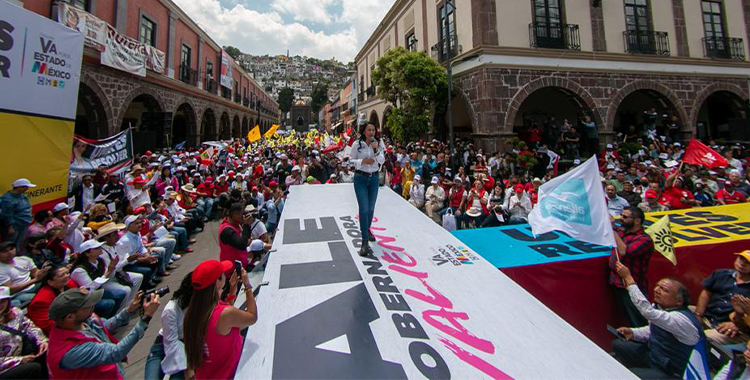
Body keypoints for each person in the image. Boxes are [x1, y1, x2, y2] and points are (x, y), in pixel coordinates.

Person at [612, 262, 702, 380]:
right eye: (657, 286)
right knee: (618, 345)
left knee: (631, 374)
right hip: (656, 356)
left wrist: (628, 279)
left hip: (672, 371)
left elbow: (647, 312)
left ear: (679, 301)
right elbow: (652, 330)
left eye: (664, 289)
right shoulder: (659, 307)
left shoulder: (681, 319)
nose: (656, 290)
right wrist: (633, 333)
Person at [46, 287, 160, 379]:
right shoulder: (68, 352)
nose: (93, 305)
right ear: (70, 317)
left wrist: (129, 309)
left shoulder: (82, 321)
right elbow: (116, 352)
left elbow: (104, 326)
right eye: (87, 305)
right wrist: (146, 318)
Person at [184, 260, 258, 380]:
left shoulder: (193, 314)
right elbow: (252, 316)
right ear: (218, 282)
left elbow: (219, 326)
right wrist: (247, 285)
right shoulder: (225, 314)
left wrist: (231, 293)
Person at [609, 207, 654, 327]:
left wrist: (613, 229)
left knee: (637, 320)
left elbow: (624, 251)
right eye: (621, 216)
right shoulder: (623, 232)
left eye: (625, 217)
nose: (621, 219)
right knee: (626, 317)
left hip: (632, 286)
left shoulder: (644, 239)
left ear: (637, 221)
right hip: (617, 283)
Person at [694, 250, 750, 345]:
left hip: (731, 326)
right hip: (707, 316)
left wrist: (738, 325)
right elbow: (706, 293)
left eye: (748, 263)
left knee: (701, 337)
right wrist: (698, 315)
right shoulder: (720, 274)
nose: (742, 264)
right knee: (679, 312)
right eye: (741, 258)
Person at [144, 273, 193, 380]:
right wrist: (187, 366)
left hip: (186, 347)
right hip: (163, 347)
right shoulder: (171, 309)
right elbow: (171, 344)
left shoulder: (204, 305)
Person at [349, 121, 385, 256]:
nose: (371, 132)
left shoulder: (379, 144)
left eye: (373, 130)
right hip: (361, 179)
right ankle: (364, 241)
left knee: (371, 208)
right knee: (363, 209)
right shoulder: (357, 145)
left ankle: (367, 229)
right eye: (369, 130)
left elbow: (382, 161)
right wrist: (361, 162)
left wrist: (375, 150)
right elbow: (349, 161)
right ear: (364, 131)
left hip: (374, 178)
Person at [70, 240, 129, 318]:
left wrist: (111, 269)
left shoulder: (99, 261)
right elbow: (91, 288)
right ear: (87, 253)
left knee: (121, 294)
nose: (100, 249)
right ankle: (104, 323)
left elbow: (107, 277)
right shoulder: (79, 270)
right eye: (96, 248)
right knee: (108, 303)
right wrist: (107, 273)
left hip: (98, 291)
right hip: (87, 298)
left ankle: (113, 317)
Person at [0, 286, 49, 380]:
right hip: (5, 366)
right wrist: (18, 360)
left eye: (2, 301)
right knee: (33, 368)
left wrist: (41, 341)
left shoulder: (15, 313)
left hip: (23, 353)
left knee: (45, 351)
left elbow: (29, 326)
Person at [0, 241, 49, 307]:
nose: (9, 252)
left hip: (33, 286)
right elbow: (9, 290)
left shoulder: (24, 259)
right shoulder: (1, 269)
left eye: (11, 249)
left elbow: (35, 273)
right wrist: (35, 280)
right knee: (40, 297)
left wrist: (44, 271)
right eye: (5, 251)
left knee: (54, 282)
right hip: (18, 294)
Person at [26, 266, 72, 336]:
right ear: (50, 282)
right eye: (61, 275)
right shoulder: (42, 300)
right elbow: (48, 327)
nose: (67, 276)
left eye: (67, 273)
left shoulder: (68, 283)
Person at [0, 179, 36, 249]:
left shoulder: (22, 196)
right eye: (25, 187)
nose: (27, 189)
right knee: (10, 245)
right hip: (15, 226)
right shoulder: (8, 199)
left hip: (24, 224)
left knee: (19, 243)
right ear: (19, 187)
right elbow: (7, 214)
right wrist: (10, 227)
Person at [219, 203, 253, 272]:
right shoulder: (227, 231)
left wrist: (248, 225)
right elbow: (242, 245)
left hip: (241, 265)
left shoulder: (236, 224)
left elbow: (246, 238)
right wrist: (246, 225)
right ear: (235, 215)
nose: (243, 216)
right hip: (232, 271)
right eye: (242, 214)